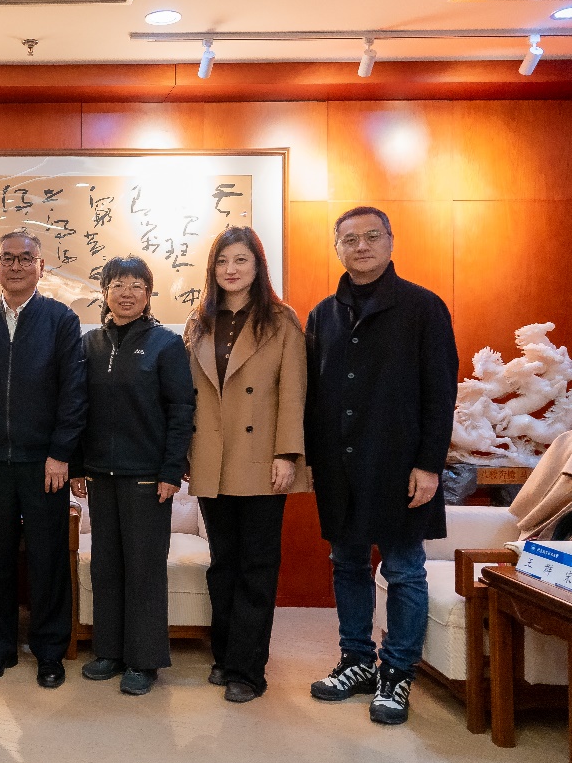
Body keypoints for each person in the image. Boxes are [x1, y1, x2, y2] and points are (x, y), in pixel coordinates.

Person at [305, 206, 458, 725]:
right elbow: (314, 396)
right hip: (339, 465)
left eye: (372, 236)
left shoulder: (423, 307)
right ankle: (356, 661)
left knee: (403, 570)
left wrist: (429, 465)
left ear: (391, 241)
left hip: (399, 465)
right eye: (350, 239)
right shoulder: (322, 315)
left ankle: (396, 672)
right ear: (337, 248)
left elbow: (441, 393)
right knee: (346, 563)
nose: (362, 246)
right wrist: (312, 461)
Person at [183, 227, 308, 703]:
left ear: (258, 266)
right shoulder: (199, 321)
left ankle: (248, 671)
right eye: (222, 261)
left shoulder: (280, 319)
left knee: (257, 565)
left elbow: (294, 392)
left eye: (241, 260)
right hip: (211, 457)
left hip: (262, 459)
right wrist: (186, 454)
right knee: (223, 565)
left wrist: (287, 454)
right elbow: (189, 396)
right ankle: (225, 654)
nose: (231, 270)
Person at [0, 228, 86, 688]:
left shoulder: (61, 319)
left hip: (43, 463)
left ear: (41, 266)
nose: (16, 265)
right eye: (7, 258)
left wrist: (61, 454)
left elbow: (74, 393)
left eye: (25, 258)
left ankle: (50, 651)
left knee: (47, 557)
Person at [70, 256, 194, 696]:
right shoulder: (90, 343)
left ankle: (144, 660)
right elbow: (77, 407)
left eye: (136, 285)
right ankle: (109, 651)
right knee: (106, 565)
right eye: (118, 284)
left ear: (148, 294)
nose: (126, 293)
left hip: (147, 476)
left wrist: (172, 470)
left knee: (144, 569)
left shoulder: (165, 343)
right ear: (104, 292)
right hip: (100, 475)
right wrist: (77, 465)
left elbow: (182, 409)